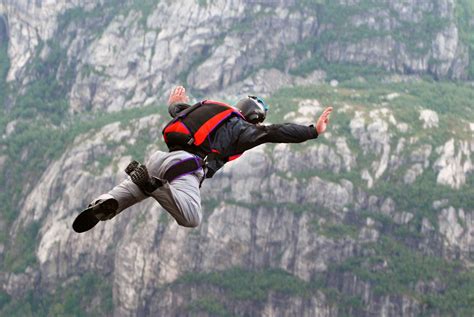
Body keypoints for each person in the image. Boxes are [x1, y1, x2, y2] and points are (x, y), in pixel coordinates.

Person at [72, 86, 333, 233]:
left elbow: (178, 110)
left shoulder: (212, 111)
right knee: (190, 217)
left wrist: (175, 103)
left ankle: (104, 203)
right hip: (186, 167)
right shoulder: (241, 129)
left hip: (161, 158)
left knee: (131, 191)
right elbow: (275, 132)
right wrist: (313, 131)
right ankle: (154, 186)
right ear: (254, 117)